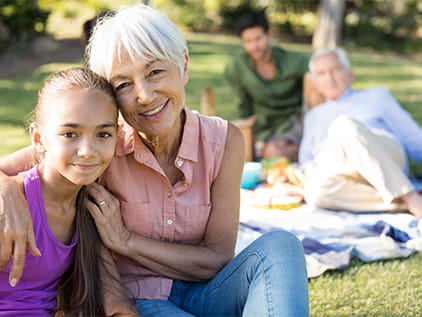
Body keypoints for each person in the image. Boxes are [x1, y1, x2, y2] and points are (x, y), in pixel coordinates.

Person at [0, 5, 309, 316]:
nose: (145, 95)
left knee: (281, 246)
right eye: (124, 85)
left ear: (183, 66)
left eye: (155, 72)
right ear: (111, 98)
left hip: (211, 293)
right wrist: (10, 191)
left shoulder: (223, 141)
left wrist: (125, 241)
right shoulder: (101, 143)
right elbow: (30, 160)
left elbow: (216, 258)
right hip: (140, 300)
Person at [0, 67, 137, 316]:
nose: (87, 150)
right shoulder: (10, 208)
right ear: (39, 138)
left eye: (103, 134)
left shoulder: (88, 209)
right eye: (70, 134)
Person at [299, 47, 422, 218]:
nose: (329, 77)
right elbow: (306, 160)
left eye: (335, 69)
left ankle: (408, 195)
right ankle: (404, 202)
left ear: (350, 74)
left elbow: (414, 138)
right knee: (316, 192)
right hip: (346, 171)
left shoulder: (377, 97)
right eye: (321, 73)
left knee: (343, 126)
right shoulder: (313, 116)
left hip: (384, 154)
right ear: (315, 83)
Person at [224, 9, 317, 162]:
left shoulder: (294, 61)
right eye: (248, 41)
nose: (254, 46)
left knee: (273, 152)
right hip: (264, 125)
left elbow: (319, 75)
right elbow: (243, 106)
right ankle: (309, 152)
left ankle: (314, 149)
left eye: (258, 39)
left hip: (294, 120)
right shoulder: (236, 67)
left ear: (269, 35)